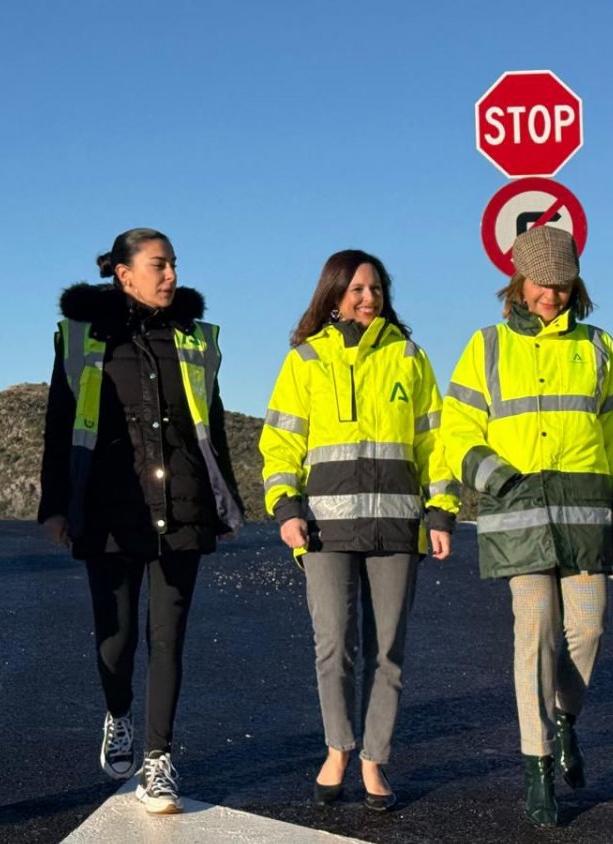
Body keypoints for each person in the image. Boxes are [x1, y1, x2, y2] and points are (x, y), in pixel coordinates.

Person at [439, 226, 613, 827]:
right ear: (518, 283)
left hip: (584, 514)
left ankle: (564, 722)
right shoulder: (487, 346)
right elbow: (457, 429)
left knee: (588, 628)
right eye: (541, 283)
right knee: (533, 639)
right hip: (519, 513)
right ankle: (536, 768)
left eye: (561, 284)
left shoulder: (600, 347)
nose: (551, 294)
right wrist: (495, 477)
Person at [38, 228, 243, 815]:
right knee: (119, 635)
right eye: (160, 265)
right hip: (108, 507)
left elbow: (213, 425)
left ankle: (159, 758)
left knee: (168, 637)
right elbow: (59, 424)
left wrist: (223, 500)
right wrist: (55, 505)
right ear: (124, 273)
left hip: (182, 503)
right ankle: (119, 714)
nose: (171, 275)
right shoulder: (80, 338)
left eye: (175, 264)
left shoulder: (193, 338)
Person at [259, 250, 459, 810]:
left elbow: (434, 442)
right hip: (325, 530)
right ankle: (338, 749)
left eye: (374, 288)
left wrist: (441, 511)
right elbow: (280, 443)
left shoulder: (409, 357)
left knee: (388, 650)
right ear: (333, 294)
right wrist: (286, 507)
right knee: (333, 648)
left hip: (397, 527)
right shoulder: (305, 360)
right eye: (355, 289)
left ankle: (374, 760)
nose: (367, 298)